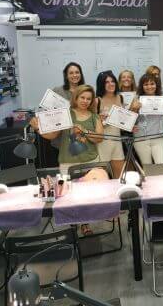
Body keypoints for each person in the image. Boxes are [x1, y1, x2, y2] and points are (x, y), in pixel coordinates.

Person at [30, 85, 104, 236]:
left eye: (88, 98)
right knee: (67, 195)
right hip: (67, 161)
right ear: (75, 98)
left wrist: (84, 131)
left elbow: (100, 138)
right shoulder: (65, 114)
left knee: (87, 196)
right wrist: (38, 129)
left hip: (90, 161)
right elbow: (52, 135)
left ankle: (84, 223)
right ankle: (72, 224)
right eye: (82, 97)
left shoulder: (94, 116)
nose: (85, 101)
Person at [131, 73, 163, 164]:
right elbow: (130, 122)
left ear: (156, 85)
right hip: (141, 138)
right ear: (142, 86)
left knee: (161, 165)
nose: (149, 87)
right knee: (147, 167)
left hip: (158, 137)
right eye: (146, 84)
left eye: (152, 84)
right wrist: (135, 109)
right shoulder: (136, 99)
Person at [95, 70, 125, 179]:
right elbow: (91, 124)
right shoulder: (97, 100)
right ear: (101, 84)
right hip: (103, 142)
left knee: (120, 176)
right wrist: (99, 120)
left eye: (112, 81)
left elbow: (123, 120)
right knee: (101, 176)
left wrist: (130, 125)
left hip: (117, 141)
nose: (110, 84)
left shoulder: (120, 97)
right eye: (106, 82)